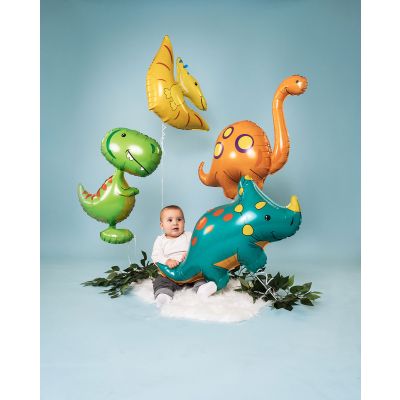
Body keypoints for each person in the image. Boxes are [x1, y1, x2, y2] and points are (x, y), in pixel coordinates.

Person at [151, 205, 217, 307]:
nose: (175, 223)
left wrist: (190, 253)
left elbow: (198, 246)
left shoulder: (189, 236)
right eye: (170, 220)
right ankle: (163, 295)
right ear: (162, 225)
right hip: (169, 274)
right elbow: (156, 256)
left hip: (190, 272)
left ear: (184, 222)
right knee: (160, 281)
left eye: (179, 219)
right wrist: (167, 261)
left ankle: (202, 289)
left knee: (200, 277)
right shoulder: (160, 240)